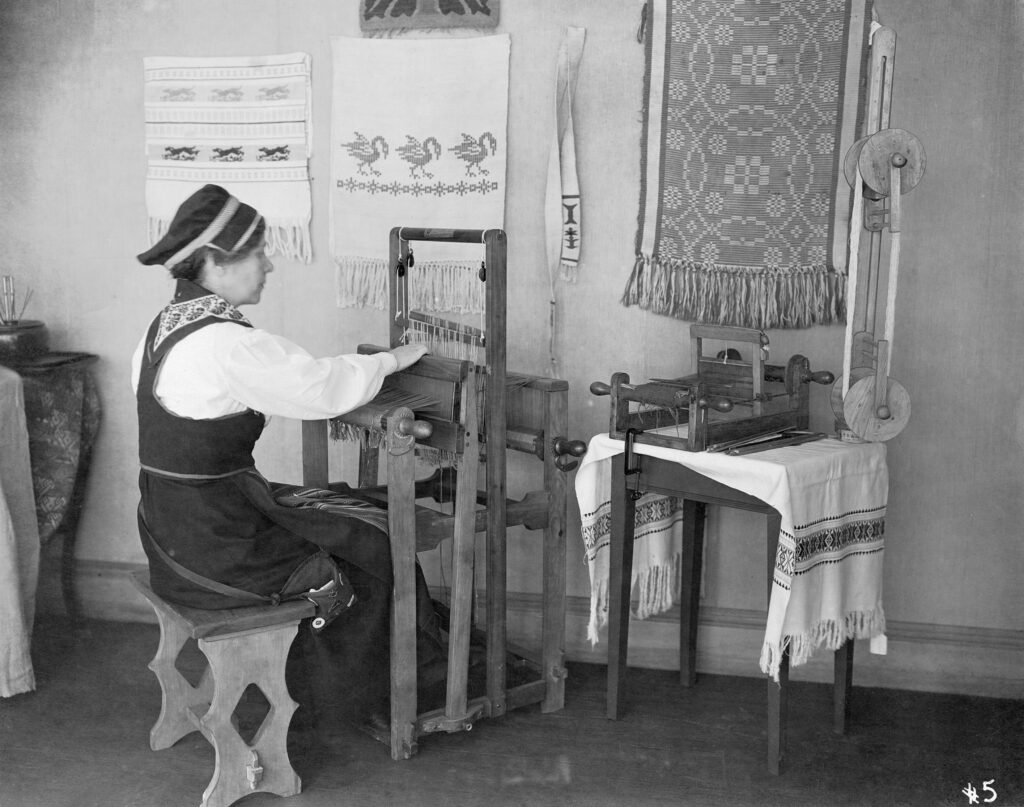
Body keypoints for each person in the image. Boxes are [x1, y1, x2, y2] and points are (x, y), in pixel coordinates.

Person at [132, 184, 442, 737]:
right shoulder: (225, 343)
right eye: (258, 253)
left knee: (340, 511)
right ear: (218, 262)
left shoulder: (163, 327)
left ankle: (351, 683)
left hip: (170, 533)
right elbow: (317, 388)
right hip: (220, 543)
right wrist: (392, 361)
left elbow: (294, 382)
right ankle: (365, 698)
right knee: (372, 546)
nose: (268, 265)